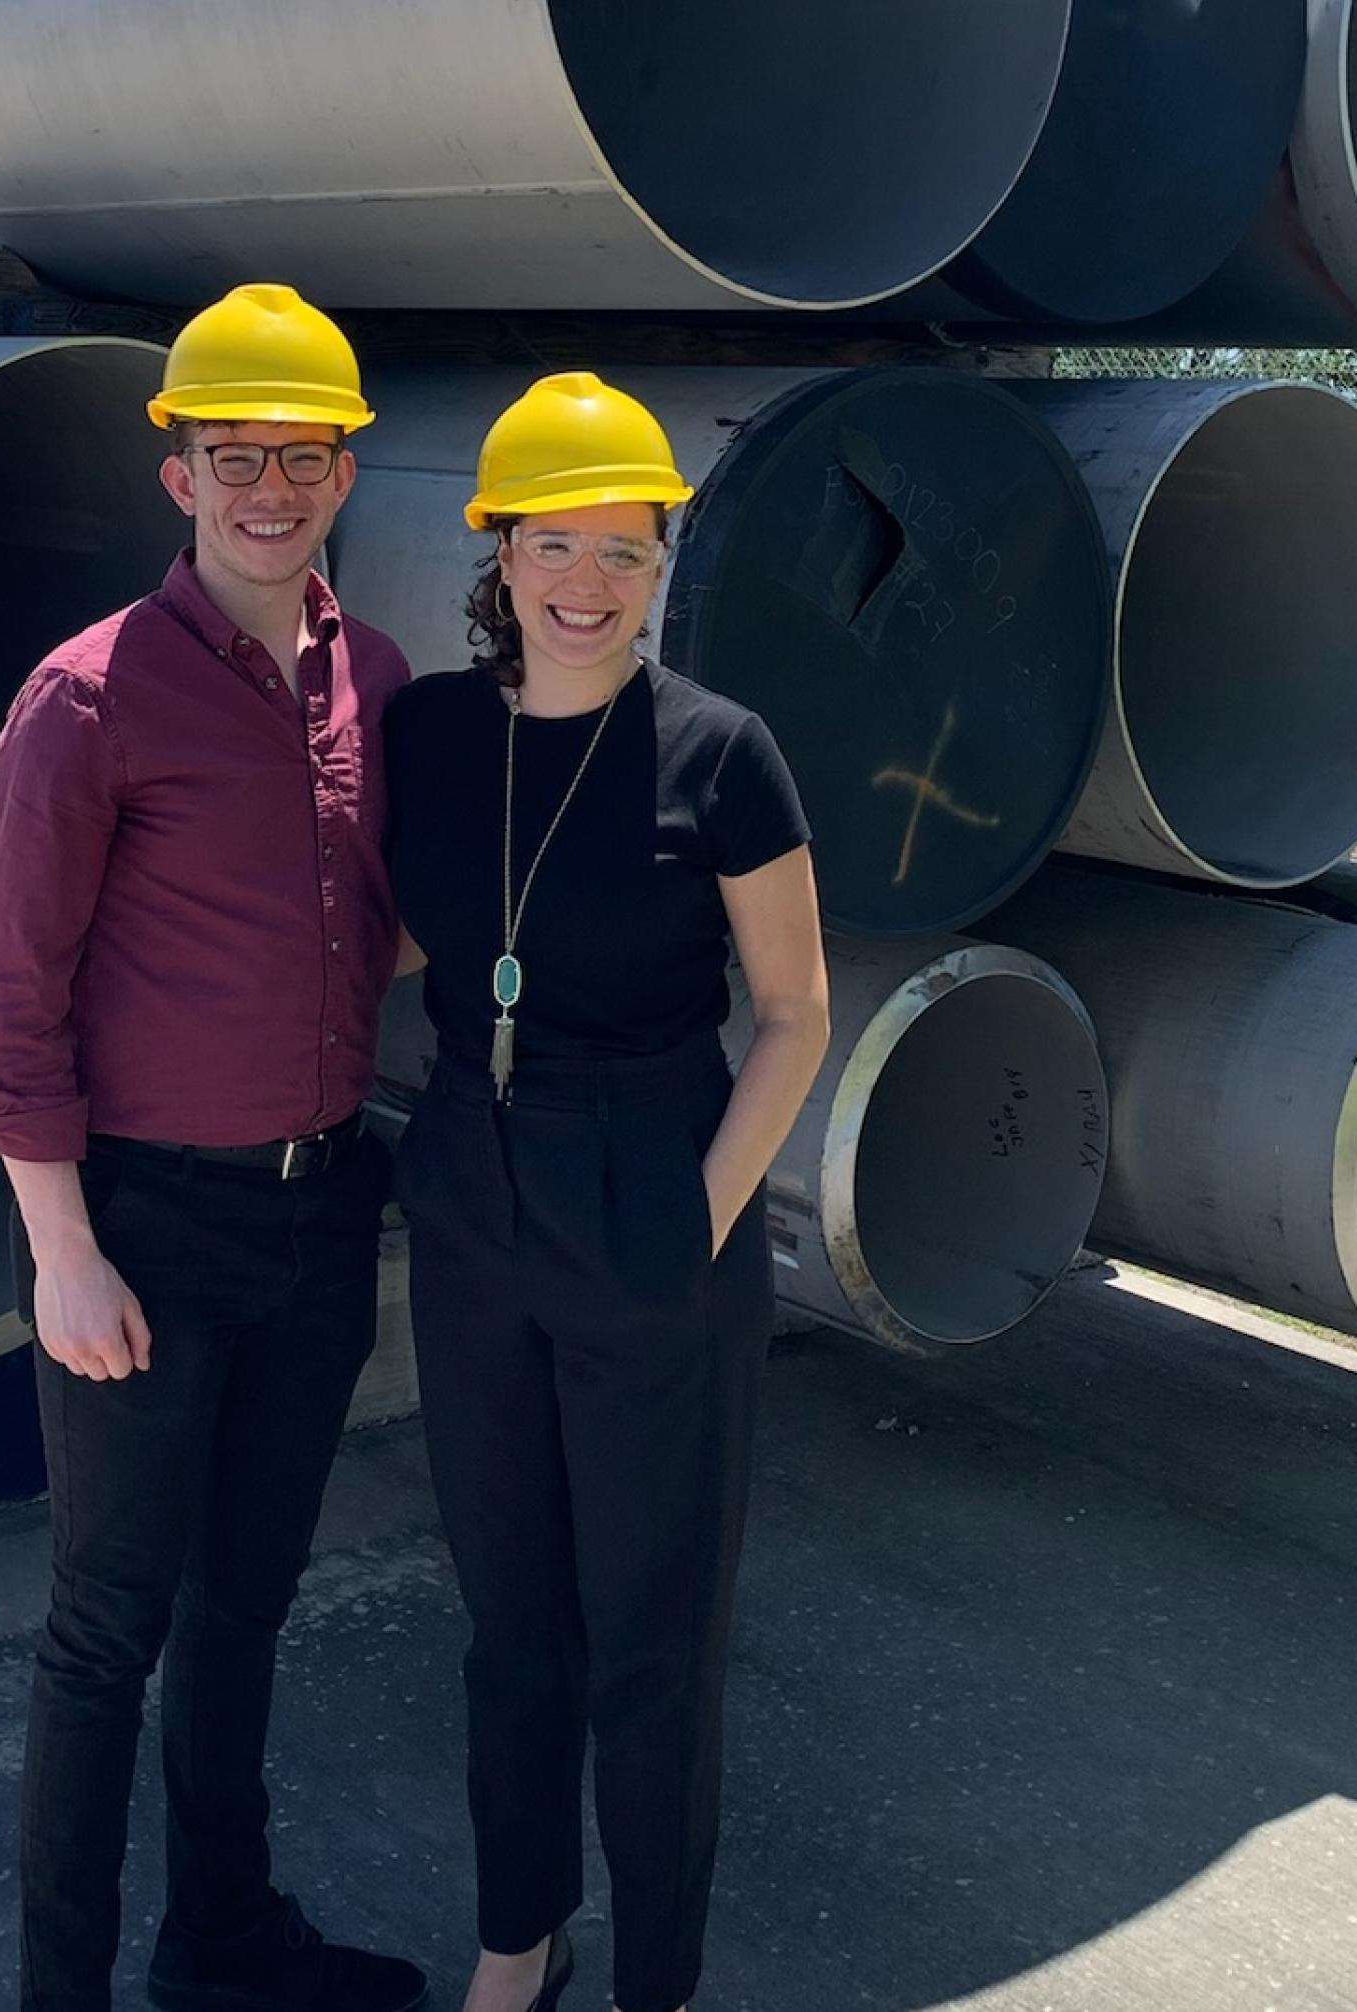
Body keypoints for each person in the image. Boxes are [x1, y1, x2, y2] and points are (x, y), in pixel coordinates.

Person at [0, 283, 428, 2012]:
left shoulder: (372, 680)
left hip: (315, 1217)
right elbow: (12, 1002)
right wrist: (61, 1250)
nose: (270, 488)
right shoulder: (88, 703)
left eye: (303, 456)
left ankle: (220, 1940)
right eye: (236, 455)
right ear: (178, 473)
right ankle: (61, 1993)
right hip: (141, 1230)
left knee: (248, 1609)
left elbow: (387, 928)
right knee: (107, 1634)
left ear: (342, 470)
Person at [381, 374, 832, 2012]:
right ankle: (522, 1938)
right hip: (472, 1195)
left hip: (654, 1189)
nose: (585, 584)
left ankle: (658, 1972)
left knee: (652, 1637)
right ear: (493, 550)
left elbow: (794, 1016)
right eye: (552, 545)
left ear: (663, 564)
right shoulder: (428, 732)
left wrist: (695, 1222)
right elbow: (414, 933)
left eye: (623, 555)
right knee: (512, 1616)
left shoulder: (722, 755)